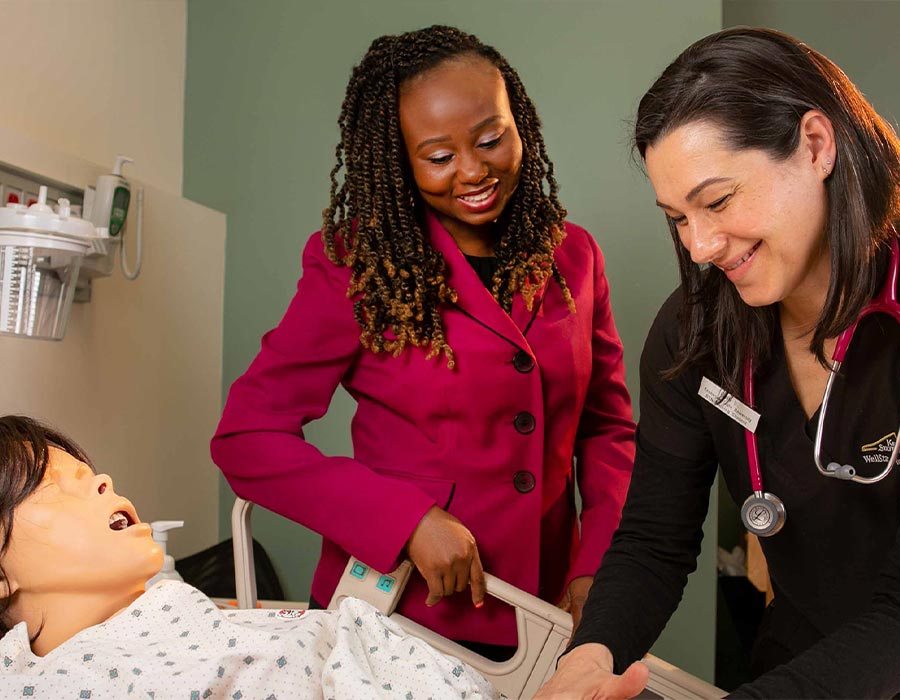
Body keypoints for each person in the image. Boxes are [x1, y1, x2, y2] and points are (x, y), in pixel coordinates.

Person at [210, 24, 635, 655]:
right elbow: (247, 438)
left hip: (544, 611)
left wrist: (596, 564)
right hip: (399, 614)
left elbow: (607, 429)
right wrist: (403, 519)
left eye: (492, 139)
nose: (474, 171)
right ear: (397, 160)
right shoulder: (355, 263)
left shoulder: (574, 255)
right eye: (438, 157)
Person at [535, 26, 900, 700]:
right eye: (677, 216)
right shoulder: (695, 333)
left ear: (816, 145)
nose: (699, 246)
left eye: (718, 201)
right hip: (793, 664)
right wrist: (590, 657)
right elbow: (652, 539)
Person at [0, 415, 497, 699]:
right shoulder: (59, 683)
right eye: (53, 485)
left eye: (92, 473)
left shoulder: (183, 618)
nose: (103, 480)